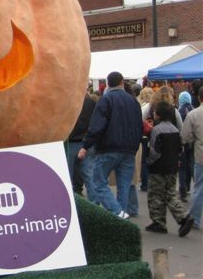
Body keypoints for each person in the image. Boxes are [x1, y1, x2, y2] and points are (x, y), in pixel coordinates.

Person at [78, 71, 142, 218]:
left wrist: (86, 145)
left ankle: (117, 212)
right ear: (122, 83)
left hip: (108, 148)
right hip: (129, 149)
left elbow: (96, 126)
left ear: (108, 84)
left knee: (98, 183)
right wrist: (135, 144)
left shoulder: (106, 100)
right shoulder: (133, 101)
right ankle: (121, 217)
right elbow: (139, 125)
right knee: (124, 186)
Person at [145, 101, 194, 236]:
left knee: (155, 195)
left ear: (158, 115)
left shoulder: (156, 130)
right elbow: (179, 149)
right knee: (170, 193)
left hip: (158, 167)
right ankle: (183, 217)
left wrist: (149, 162)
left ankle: (159, 222)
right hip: (172, 167)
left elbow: (154, 150)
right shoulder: (175, 130)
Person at [66, 91, 97, 202]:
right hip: (87, 142)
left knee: (68, 176)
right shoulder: (90, 101)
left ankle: (70, 203)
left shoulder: (67, 100)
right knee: (89, 175)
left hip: (71, 142)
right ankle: (95, 203)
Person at [181, 86, 203, 230]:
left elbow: (185, 136)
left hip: (201, 155)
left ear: (199, 97)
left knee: (199, 188)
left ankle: (195, 218)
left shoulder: (193, 114)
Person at [178, 91, 195, 202]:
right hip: (192, 142)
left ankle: (183, 191)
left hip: (183, 142)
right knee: (190, 165)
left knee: (182, 167)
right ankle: (188, 187)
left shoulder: (179, 111)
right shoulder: (193, 109)